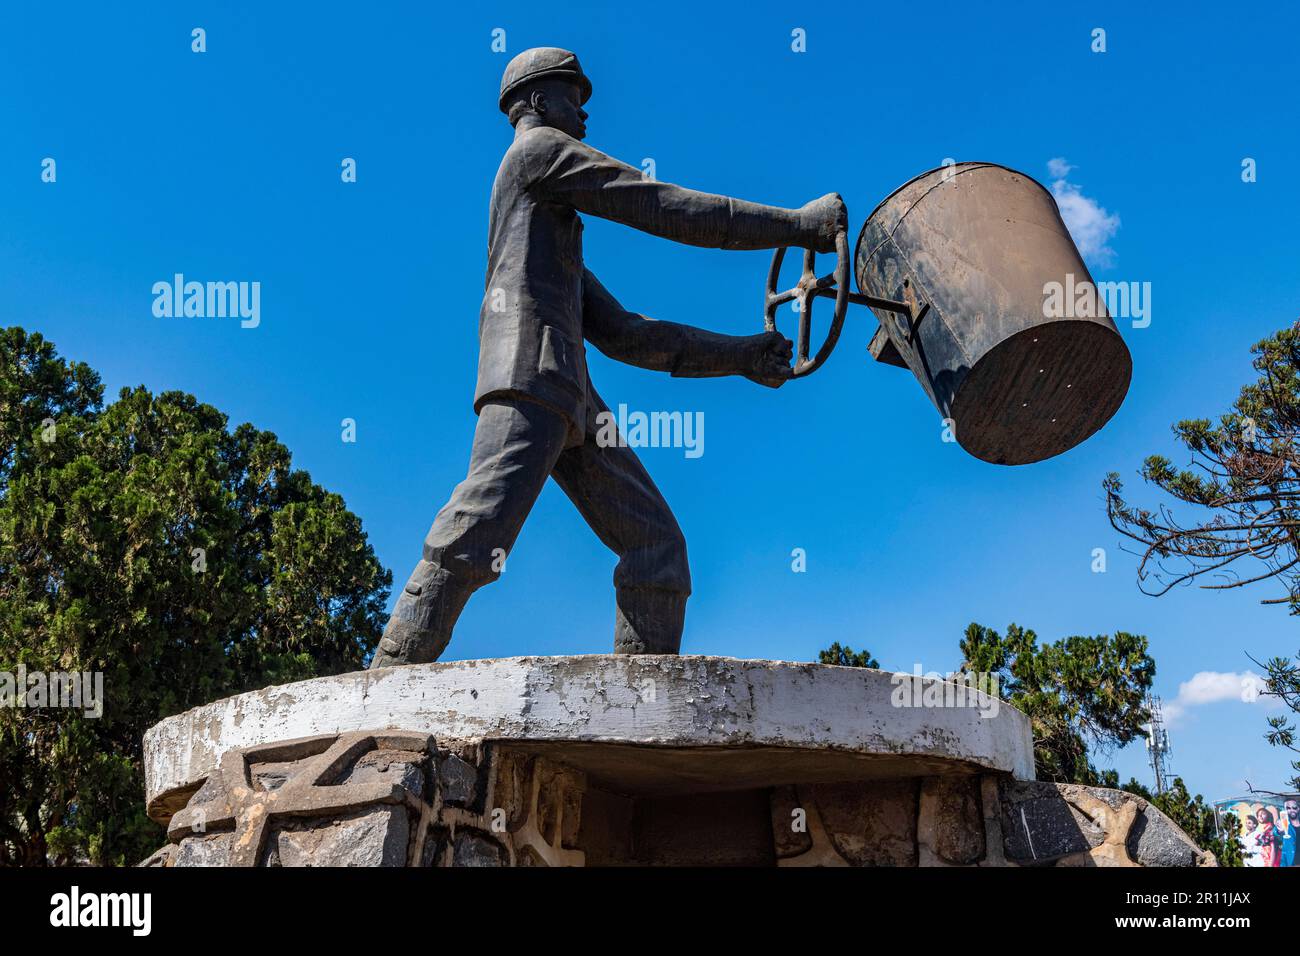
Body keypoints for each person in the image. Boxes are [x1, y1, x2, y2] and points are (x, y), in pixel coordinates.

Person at [372, 48, 846, 667]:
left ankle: (641, 700)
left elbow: (627, 334)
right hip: (529, 378)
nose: (586, 112)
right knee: (480, 523)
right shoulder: (536, 152)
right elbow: (662, 205)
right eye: (575, 97)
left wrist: (742, 356)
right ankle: (388, 677)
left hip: (568, 394)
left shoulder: (552, 240)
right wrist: (795, 225)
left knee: (657, 546)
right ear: (538, 103)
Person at [1282, 797, 1299, 867]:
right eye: (1288, 808)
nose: (1291, 810)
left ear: (1298, 809)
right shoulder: (1283, 825)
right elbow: (1275, 833)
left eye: (1294, 807)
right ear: (1284, 810)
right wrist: (1278, 830)